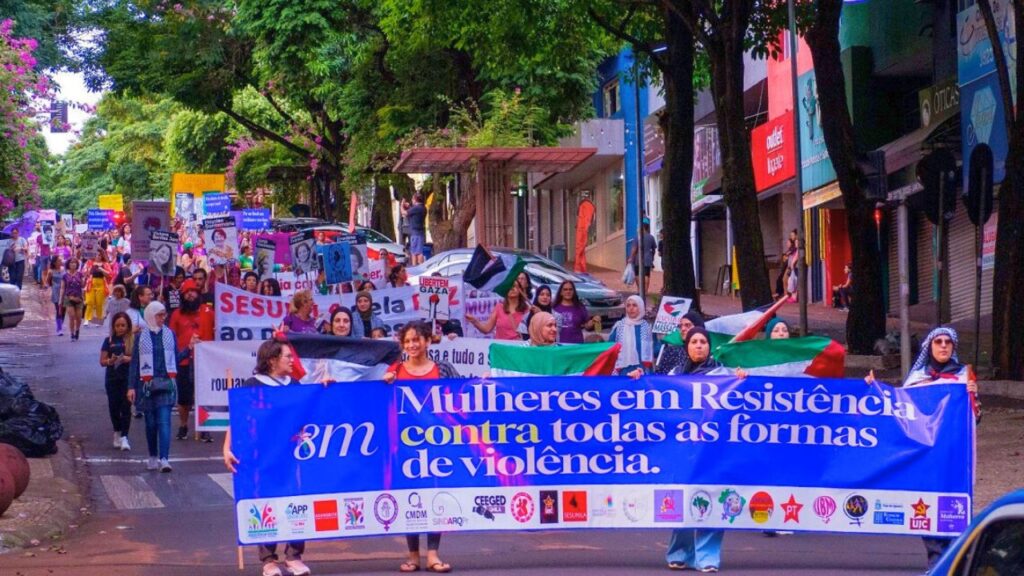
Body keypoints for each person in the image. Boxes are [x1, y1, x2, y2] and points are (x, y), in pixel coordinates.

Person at [865, 326, 979, 569]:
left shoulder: (963, 377)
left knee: (954, 511)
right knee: (928, 510)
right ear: (931, 346)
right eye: (939, 341)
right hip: (926, 457)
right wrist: (874, 388)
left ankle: (955, 562)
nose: (944, 346)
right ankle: (937, 563)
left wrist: (972, 397)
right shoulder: (918, 379)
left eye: (948, 342)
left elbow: (976, 417)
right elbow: (899, 408)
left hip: (954, 458)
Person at [223, 339, 312, 576]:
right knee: (266, 504)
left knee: (295, 501)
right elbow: (239, 420)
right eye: (287, 357)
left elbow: (307, 413)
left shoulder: (293, 384)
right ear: (272, 360)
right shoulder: (253, 385)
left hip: (290, 455)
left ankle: (294, 555)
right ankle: (268, 559)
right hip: (261, 456)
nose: (292, 361)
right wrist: (226, 447)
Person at [382, 321, 458, 573]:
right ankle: (413, 555)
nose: (413, 345)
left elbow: (461, 399)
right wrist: (385, 387)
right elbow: (384, 407)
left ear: (427, 341)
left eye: (417, 340)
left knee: (435, 495)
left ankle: (433, 555)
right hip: (404, 447)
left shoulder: (443, 369)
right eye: (407, 342)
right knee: (409, 498)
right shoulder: (394, 371)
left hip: (436, 444)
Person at [665, 327, 725, 572]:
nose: (699, 345)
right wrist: (638, 377)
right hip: (683, 448)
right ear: (687, 347)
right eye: (694, 342)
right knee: (682, 497)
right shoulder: (673, 374)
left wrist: (744, 378)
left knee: (712, 497)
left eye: (703, 342)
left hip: (713, 449)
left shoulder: (724, 374)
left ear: (709, 346)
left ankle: (708, 557)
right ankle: (680, 552)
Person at [127, 301, 180, 472]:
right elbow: (135, 363)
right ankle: (152, 455)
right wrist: (131, 387)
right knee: (150, 424)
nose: (162, 318)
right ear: (150, 315)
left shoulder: (170, 334)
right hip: (146, 386)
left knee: (164, 422)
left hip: (165, 384)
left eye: (164, 314)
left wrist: (190, 348)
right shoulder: (141, 337)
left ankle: (164, 458)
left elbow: (176, 359)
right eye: (159, 315)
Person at [167, 279, 214, 442]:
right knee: (184, 398)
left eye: (193, 291)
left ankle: (205, 427)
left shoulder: (208, 311)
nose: (190, 294)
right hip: (184, 361)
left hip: (206, 362)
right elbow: (171, 337)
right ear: (182, 296)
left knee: (205, 396)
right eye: (187, 292)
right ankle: (183, 425)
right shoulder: (176, 314)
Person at [101, 312, 134, 452]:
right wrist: (111, 361)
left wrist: (128, 359)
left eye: (123, 325)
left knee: (126, 407)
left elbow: (139, 359)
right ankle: (117, 431)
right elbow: (102, 361)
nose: (120, 328)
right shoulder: (109, 340)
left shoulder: (132, 340)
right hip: (112, 378)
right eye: (117, 325)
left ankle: (125, 436)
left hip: (127, 378)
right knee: (114, 407)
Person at [609, 295, 654, 377]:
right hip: (622, 371)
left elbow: (655, 349)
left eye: (634, 305)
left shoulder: (647, 327)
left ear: (640, 307)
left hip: (642, 371)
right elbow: (610, 348)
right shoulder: (619, 327)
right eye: (628, 305)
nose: (631, 308)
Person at [629, 220, 657, 296]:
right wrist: (652, 257)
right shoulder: (651, 237)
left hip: (638, 259)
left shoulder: (637, 237)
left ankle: (639, 290)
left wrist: (631, 258)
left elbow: (634, 249)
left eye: (638, 227)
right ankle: (646, 291)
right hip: (648, 259)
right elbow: (654, 249)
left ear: (642, 228)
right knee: (647, 275)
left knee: (637, 275)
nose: (637, 229)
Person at [84, 251, 112, 326]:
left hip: (101, 283)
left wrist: (102, 270)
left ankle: (98, 319)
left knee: (99, 303)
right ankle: (87, 318)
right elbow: (85, 273)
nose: (98, 256)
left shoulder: (105, 264)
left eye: (100, 255)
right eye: (96, 255)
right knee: (90, 302)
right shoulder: (89, 263)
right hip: (91, 283)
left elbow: (109, 275)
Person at [61, 258, 86, 341]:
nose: (73, 264)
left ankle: (77, 330)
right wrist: (60, 300)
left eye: (75, 263)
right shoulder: (65, 275)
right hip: (68, 298)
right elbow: (62, 288)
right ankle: (72, 333)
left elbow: (82, 285)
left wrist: (85, 278)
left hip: (78, 298)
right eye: (71, 263)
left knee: (78, 317)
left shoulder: (80, 274)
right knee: (71, 316)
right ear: (68, 264)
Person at [45, 256, 66, 336]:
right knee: (59, 309)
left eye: (61, 260)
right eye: (59, 260)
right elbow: (47, 282)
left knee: (64, 309)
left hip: (64, 291)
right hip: (56, 291)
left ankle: (60, 324)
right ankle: (59, 328)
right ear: (55, 262)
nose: (61, 262)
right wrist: (50, 288)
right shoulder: (51, 271)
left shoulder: (63, 270)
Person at [405, 194, 427, 265]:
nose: (412, 200)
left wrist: (402, 205)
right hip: (420, 233)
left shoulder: (416, 208)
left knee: (414, 252)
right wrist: (409, 207)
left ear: (415, 199)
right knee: (419, 250)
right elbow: (412, 211)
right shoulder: (423, 208)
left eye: (412, 199)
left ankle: (415, 267)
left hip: (415, 233)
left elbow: (404, 213)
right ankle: (421, 265)